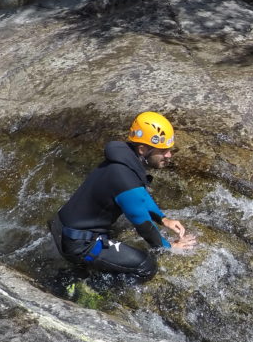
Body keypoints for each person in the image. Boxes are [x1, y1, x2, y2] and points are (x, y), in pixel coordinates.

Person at [49, 111, 196, 281]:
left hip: (61, 228)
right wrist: (170, 247)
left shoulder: (122, 159)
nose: (169, 155)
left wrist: (163, 219)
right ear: (143, 149)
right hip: (78, 245)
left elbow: (140, 197)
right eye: (163, 151)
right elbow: (145, 227)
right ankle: (94, 289)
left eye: (170, 150)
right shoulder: (125, 179)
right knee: (146, 266)